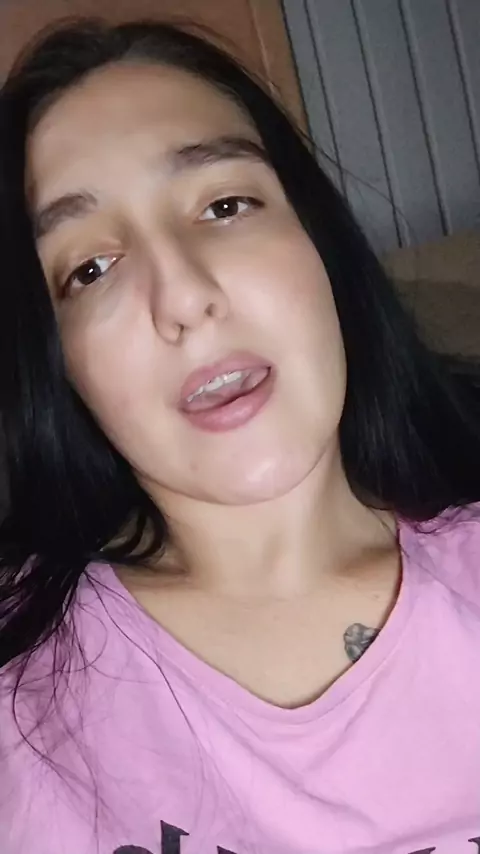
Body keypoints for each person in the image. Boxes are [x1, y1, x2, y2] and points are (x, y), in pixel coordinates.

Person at [0, 17, 479, 854]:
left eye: (225, 206)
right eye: (89, 269)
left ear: (319, 241)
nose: (184, 297)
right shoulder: (23, 689)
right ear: (57, 362)